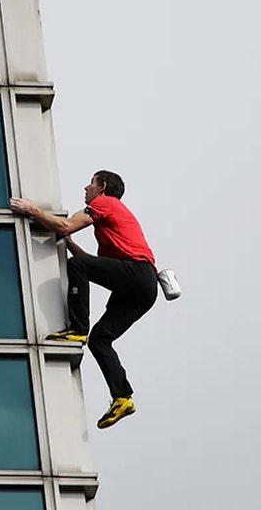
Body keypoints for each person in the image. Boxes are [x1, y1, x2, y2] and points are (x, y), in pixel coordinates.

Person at [10, 170, 158, 430]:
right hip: (143, 288)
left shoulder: (106, 203)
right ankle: (122, 397)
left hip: (137, 274)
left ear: (102, 187)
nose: (86, 188)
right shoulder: (112, 224)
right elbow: (90, 261)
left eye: (91, 183)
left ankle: (77, 329)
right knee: (100, 339)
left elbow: (66, 226)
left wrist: (32, 210)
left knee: (77, 266)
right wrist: (68, 242)